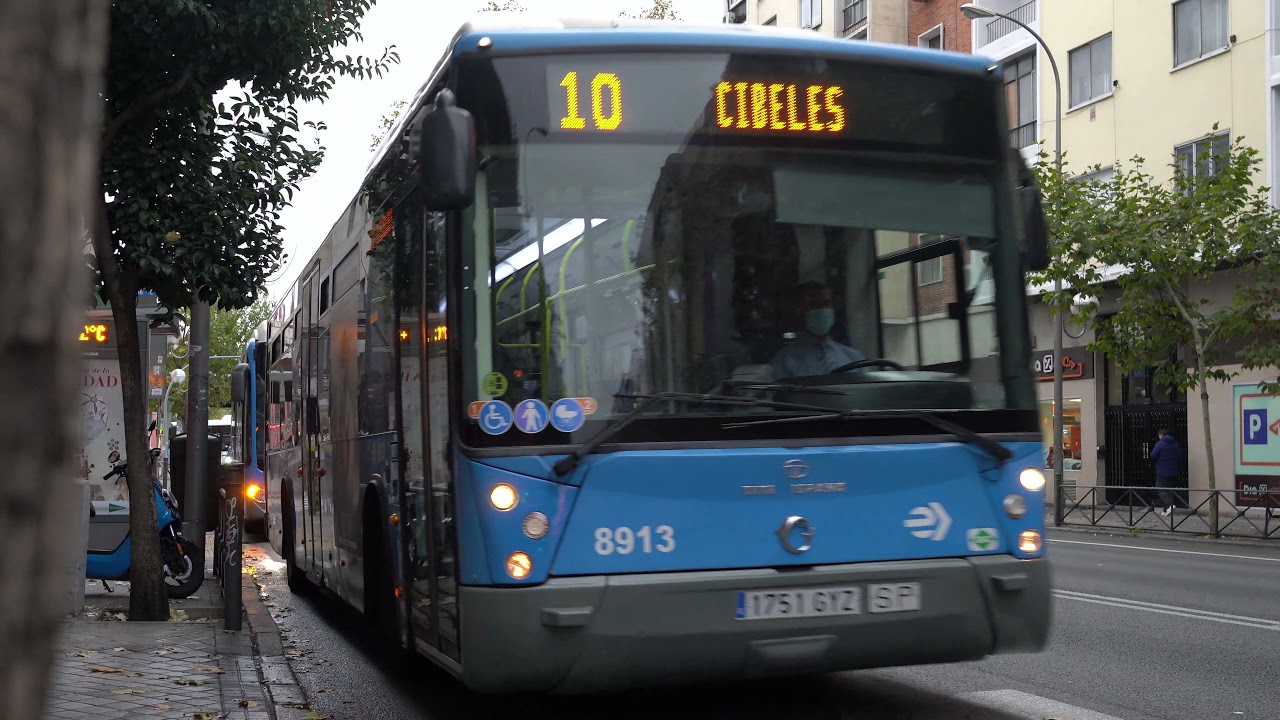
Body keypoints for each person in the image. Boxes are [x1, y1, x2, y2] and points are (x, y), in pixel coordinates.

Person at [769, 281, 864, 379]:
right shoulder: (784, 362)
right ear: (799, 312)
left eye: (826, 304)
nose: (822, 310)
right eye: (813, 305)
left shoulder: (853, 357)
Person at [1149, 428, 1181, 517]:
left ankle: (1170, 505)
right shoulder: (1175, 444)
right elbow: (1179, 456)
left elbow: (1153, 455)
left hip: (1162, 471)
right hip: (1173, 471)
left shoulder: (1160, 444)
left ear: (1161, 435)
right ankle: (1166, 510)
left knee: (1161, 488)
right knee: (1169, 490)